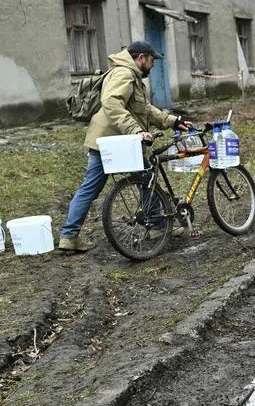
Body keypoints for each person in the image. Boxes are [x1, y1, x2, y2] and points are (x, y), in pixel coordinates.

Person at [58, 41, 188, 252]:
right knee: (138, 179)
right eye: (152, 59)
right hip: (114, 142)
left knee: (144, 177)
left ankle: (69, 235)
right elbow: (111, 102)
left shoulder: (131, 75)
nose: (153, 64)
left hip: (109, 140)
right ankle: (156, 225)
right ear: (140, 58)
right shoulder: (124, 74)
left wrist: (171, 120)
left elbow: (143, 108)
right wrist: (135, 131)